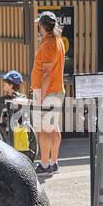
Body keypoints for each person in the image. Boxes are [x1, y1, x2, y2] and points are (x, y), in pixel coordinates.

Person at [30, 11, 65, 175]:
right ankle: (53, 162)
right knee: (53, 127)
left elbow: (46, 73)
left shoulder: (48, 45)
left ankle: (44, 165)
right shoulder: (57, 41)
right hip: (55, 90)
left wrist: (41, 97)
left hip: (47, 92)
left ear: (42, 26)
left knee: (43, 129)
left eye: (39, 24)